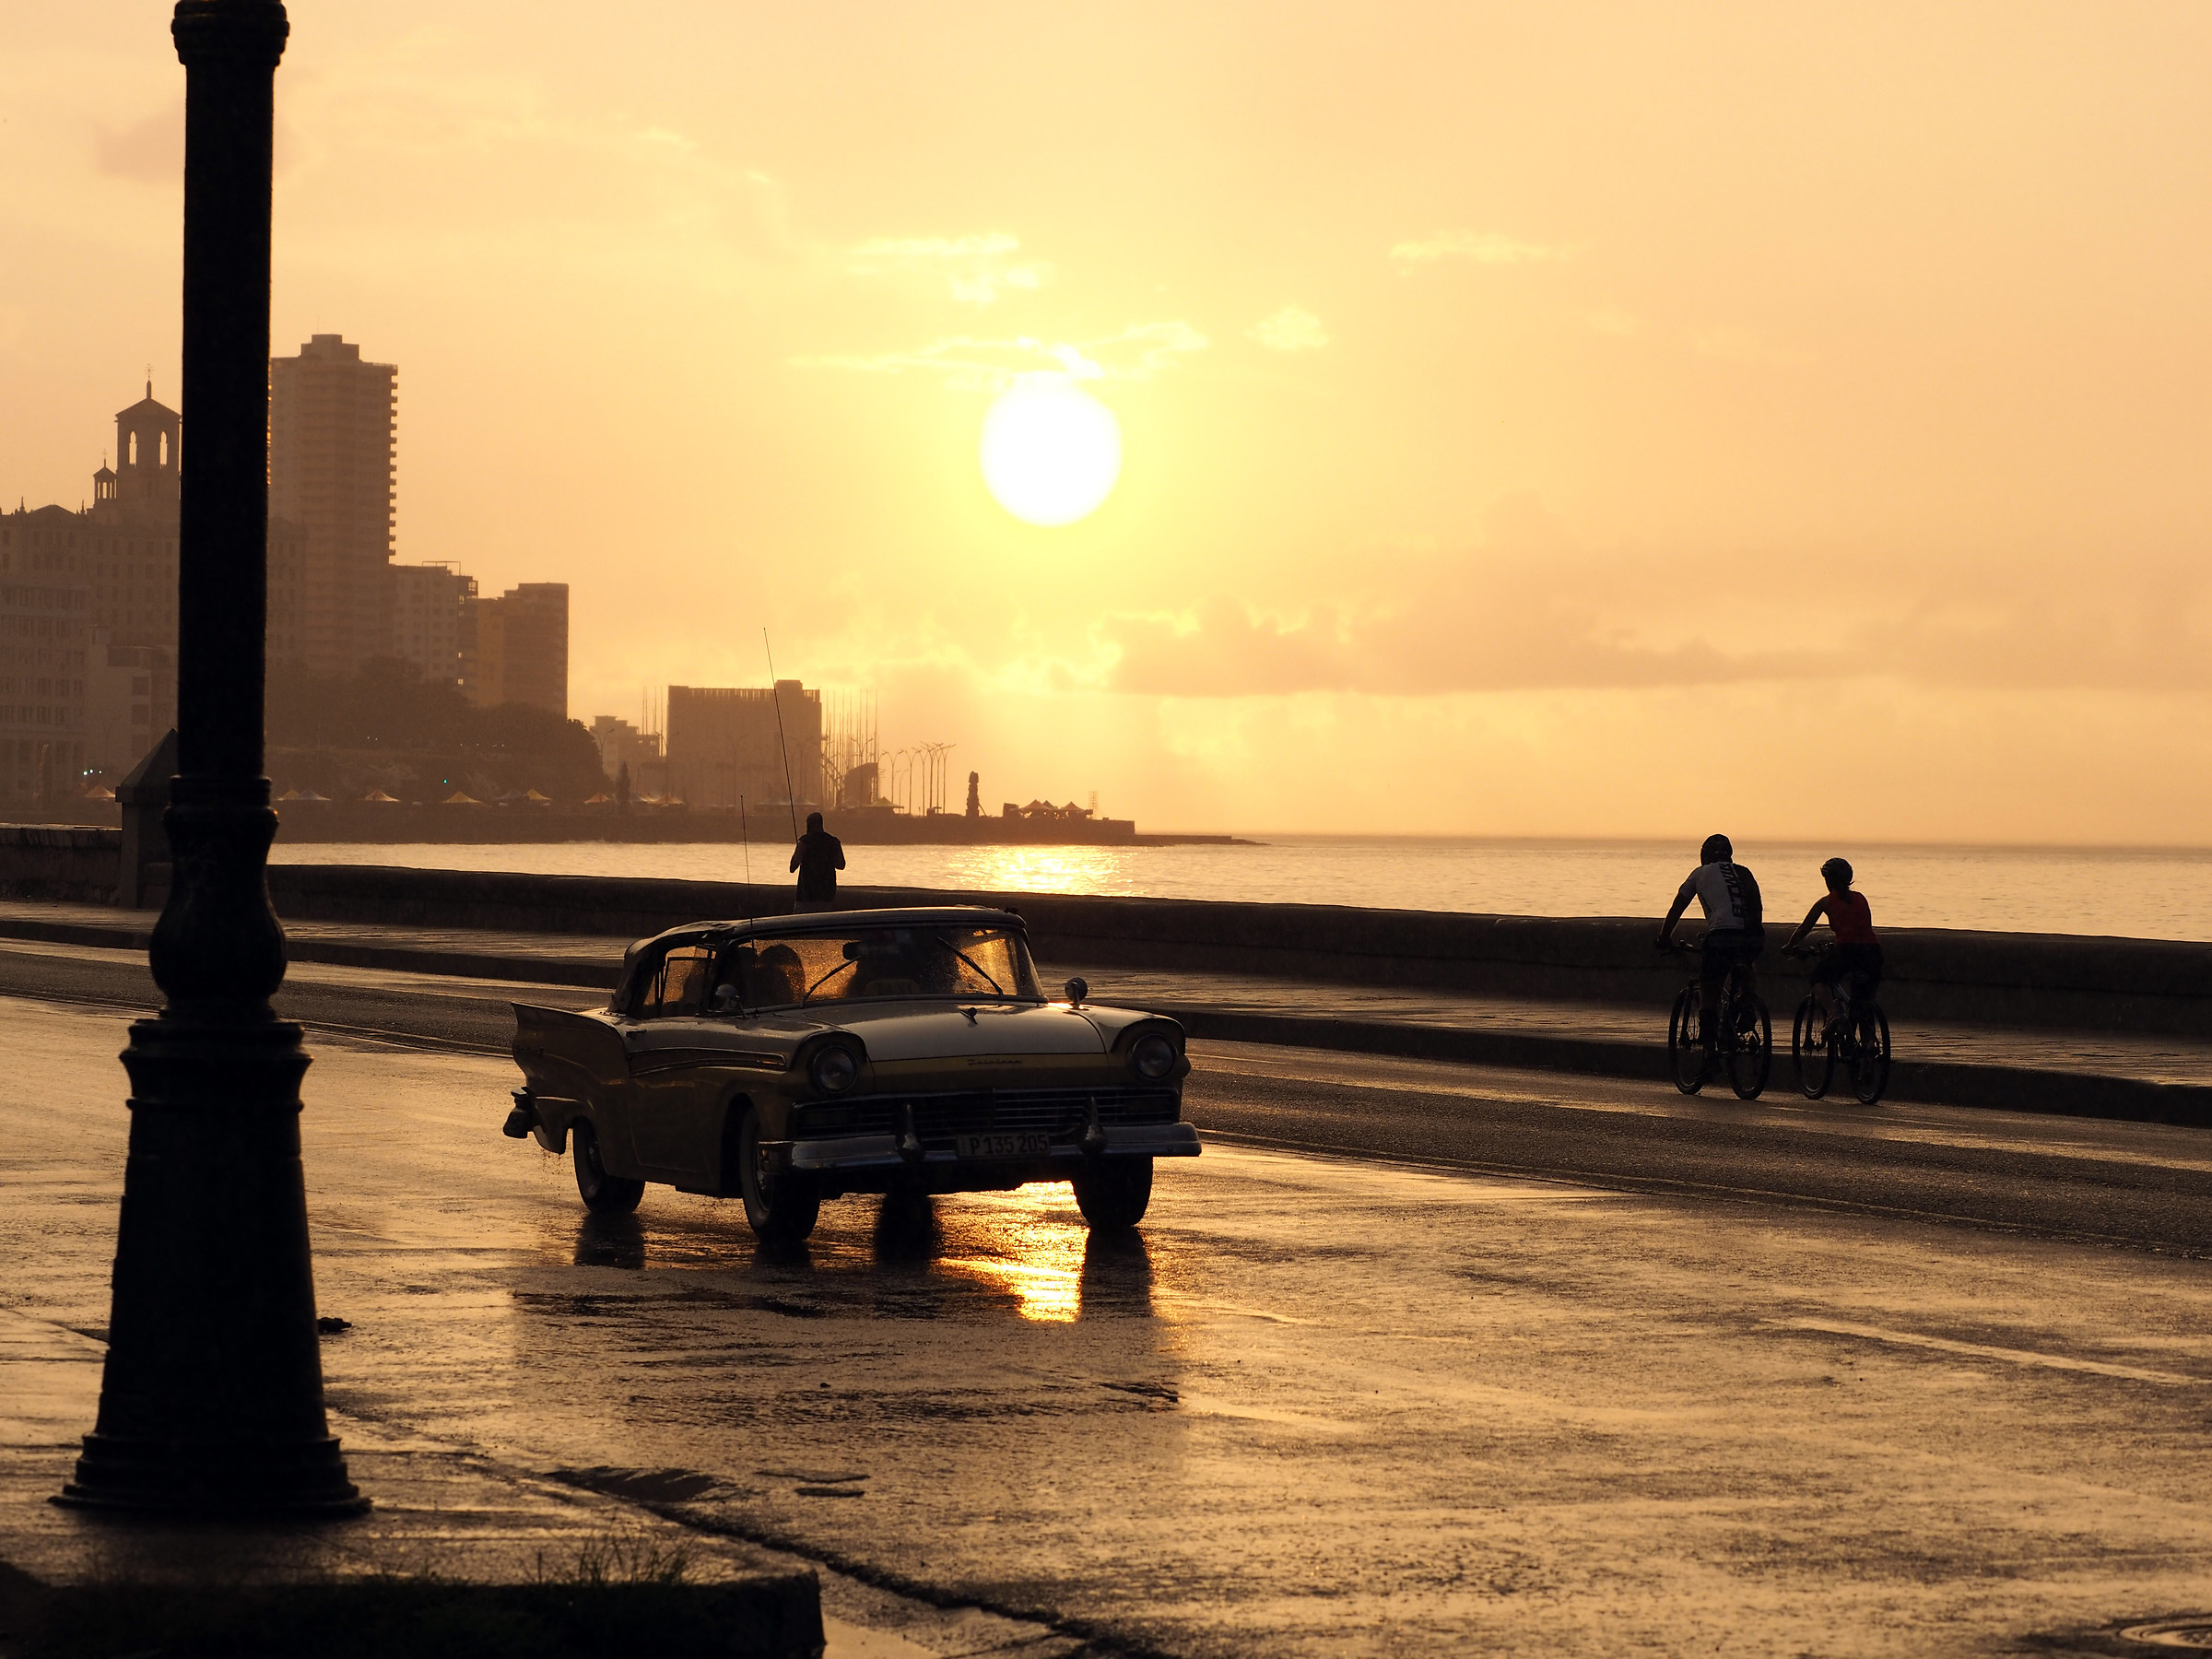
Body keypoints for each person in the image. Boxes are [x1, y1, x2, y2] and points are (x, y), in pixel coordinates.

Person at [1656, 833, 1765, 1047]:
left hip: (1721, 936)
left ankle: (1709, 1053)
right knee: (1745, 967)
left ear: (1703, 856)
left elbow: (1678, 906)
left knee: (1708, 996)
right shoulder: (1744, 872)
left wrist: (1664, 937)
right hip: (1752, 935)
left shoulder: (1699, 874)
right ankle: (1748, 1004)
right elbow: (1757, 905)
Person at [1784, 856, 1881, 1037]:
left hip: (1847, 951)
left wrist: (1790, 946)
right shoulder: (1860, 898)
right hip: (1873, 951)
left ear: (1829, 881)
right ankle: (1869, 1043)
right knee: (1863, 999)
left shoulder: (1826, 902)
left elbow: (1804, 929)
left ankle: (1834, 1012)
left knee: (1818, 978)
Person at [790, 811, 845, 912]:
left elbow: (793, 867)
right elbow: (841, 865)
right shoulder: (833, 842)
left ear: (809, 825)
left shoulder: (804, 842)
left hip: (806, 895)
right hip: (827, 895)